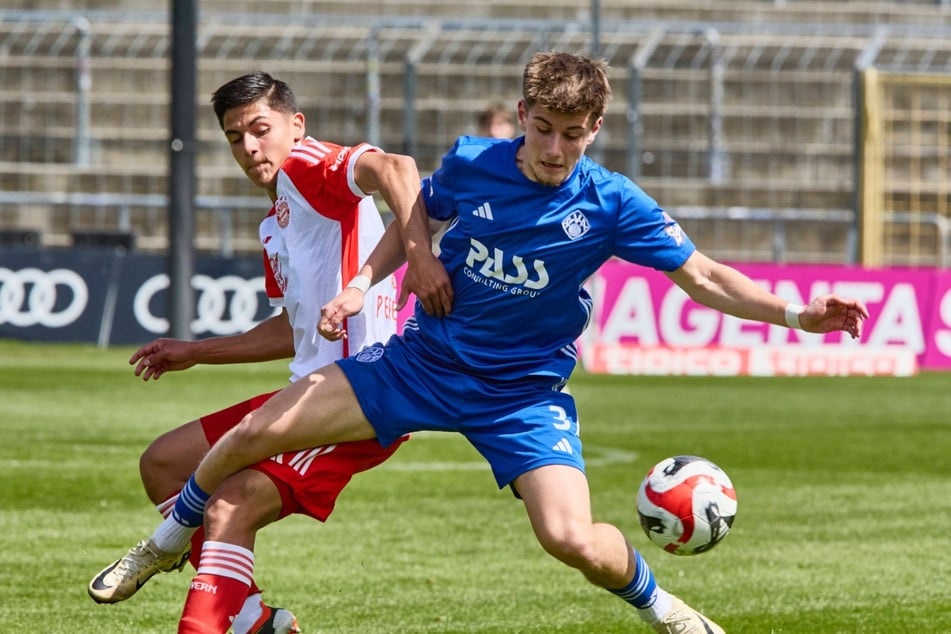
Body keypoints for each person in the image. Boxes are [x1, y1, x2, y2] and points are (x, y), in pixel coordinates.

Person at [96, 53, 870, 633]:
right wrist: (370, 283)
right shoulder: (473, 162)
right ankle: (167, 541)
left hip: (519, 397)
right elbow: (413, 224)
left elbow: (702, 277)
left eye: (573, 135)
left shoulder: (611, 203)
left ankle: (667, 611)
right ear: (523, 115)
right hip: (417, 365)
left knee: (569, 539)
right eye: (543, 130)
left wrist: (798, 315)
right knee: (253, 431)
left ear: (594, 130)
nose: (555, 149)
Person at [87, 72, 445, 633]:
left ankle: (184, 576)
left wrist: (419, 255)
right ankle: (253, 615)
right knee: (164, 464)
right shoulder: (275, 222)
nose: (250, 147)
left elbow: (397, 168)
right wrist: (197, 351)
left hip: (361, 396)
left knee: (230, 503)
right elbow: (291, 330)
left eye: (261, 129)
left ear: (295, 126)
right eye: (235, 137)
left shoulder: (308, 166)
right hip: (309, 386)